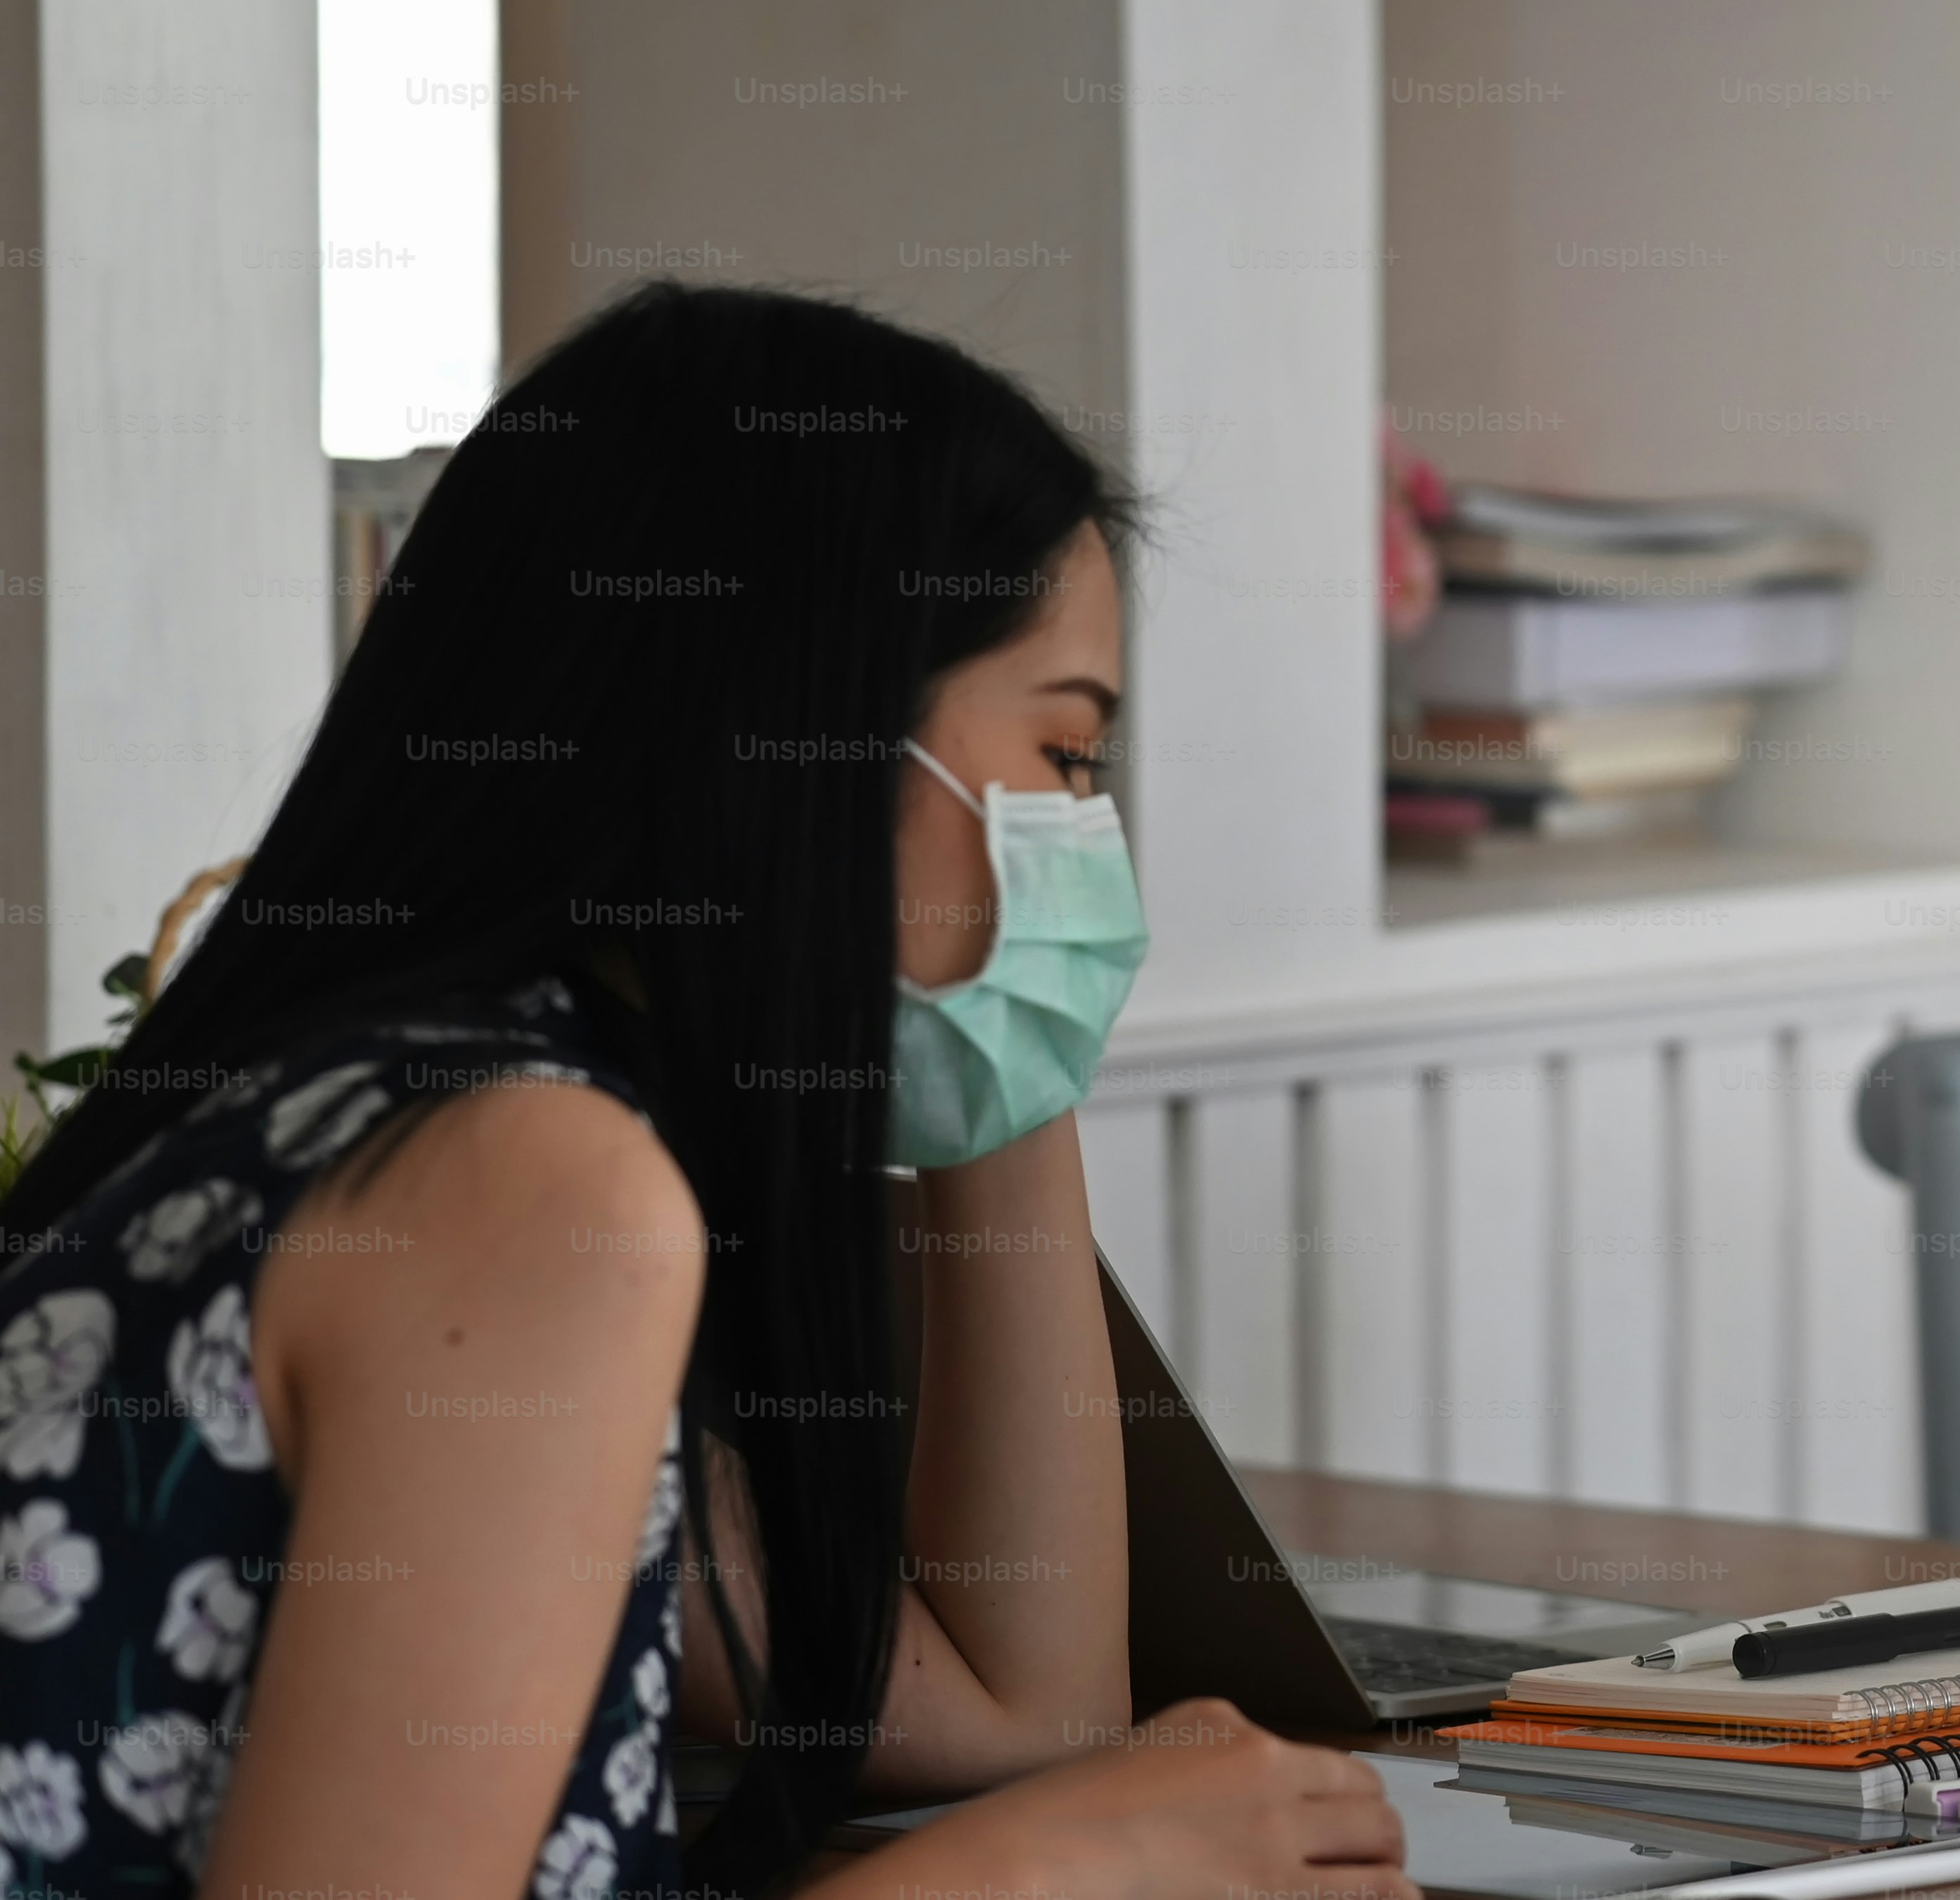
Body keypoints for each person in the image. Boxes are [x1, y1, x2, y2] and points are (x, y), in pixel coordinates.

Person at [0, 285, 1411, 1896]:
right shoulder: (519, 1186)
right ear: (805, 736)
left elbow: (1029, 1708)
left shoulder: (377, 1108)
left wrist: (1007, 1047)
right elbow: (1045, 1788)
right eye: (1069, 761)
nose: (1088, 842)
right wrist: (1024, 1876)